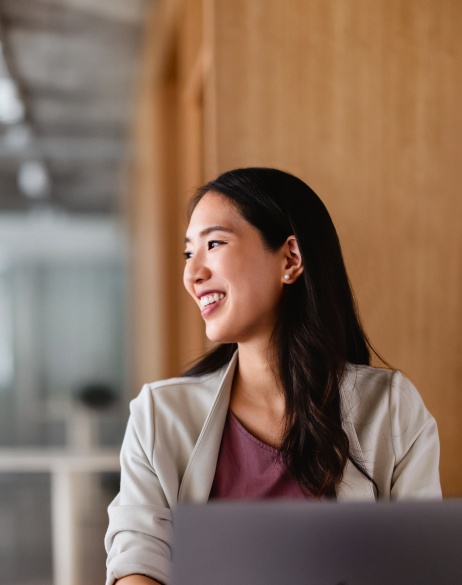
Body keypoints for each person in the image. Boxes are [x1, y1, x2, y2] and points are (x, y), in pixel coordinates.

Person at [105, 167, 441, 585]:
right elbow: (137, 561)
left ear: (290, 258)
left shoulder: (391, 408)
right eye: (189, 253)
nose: (193, 274)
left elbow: (420, 567)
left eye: (213, 244)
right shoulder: (159, 414)